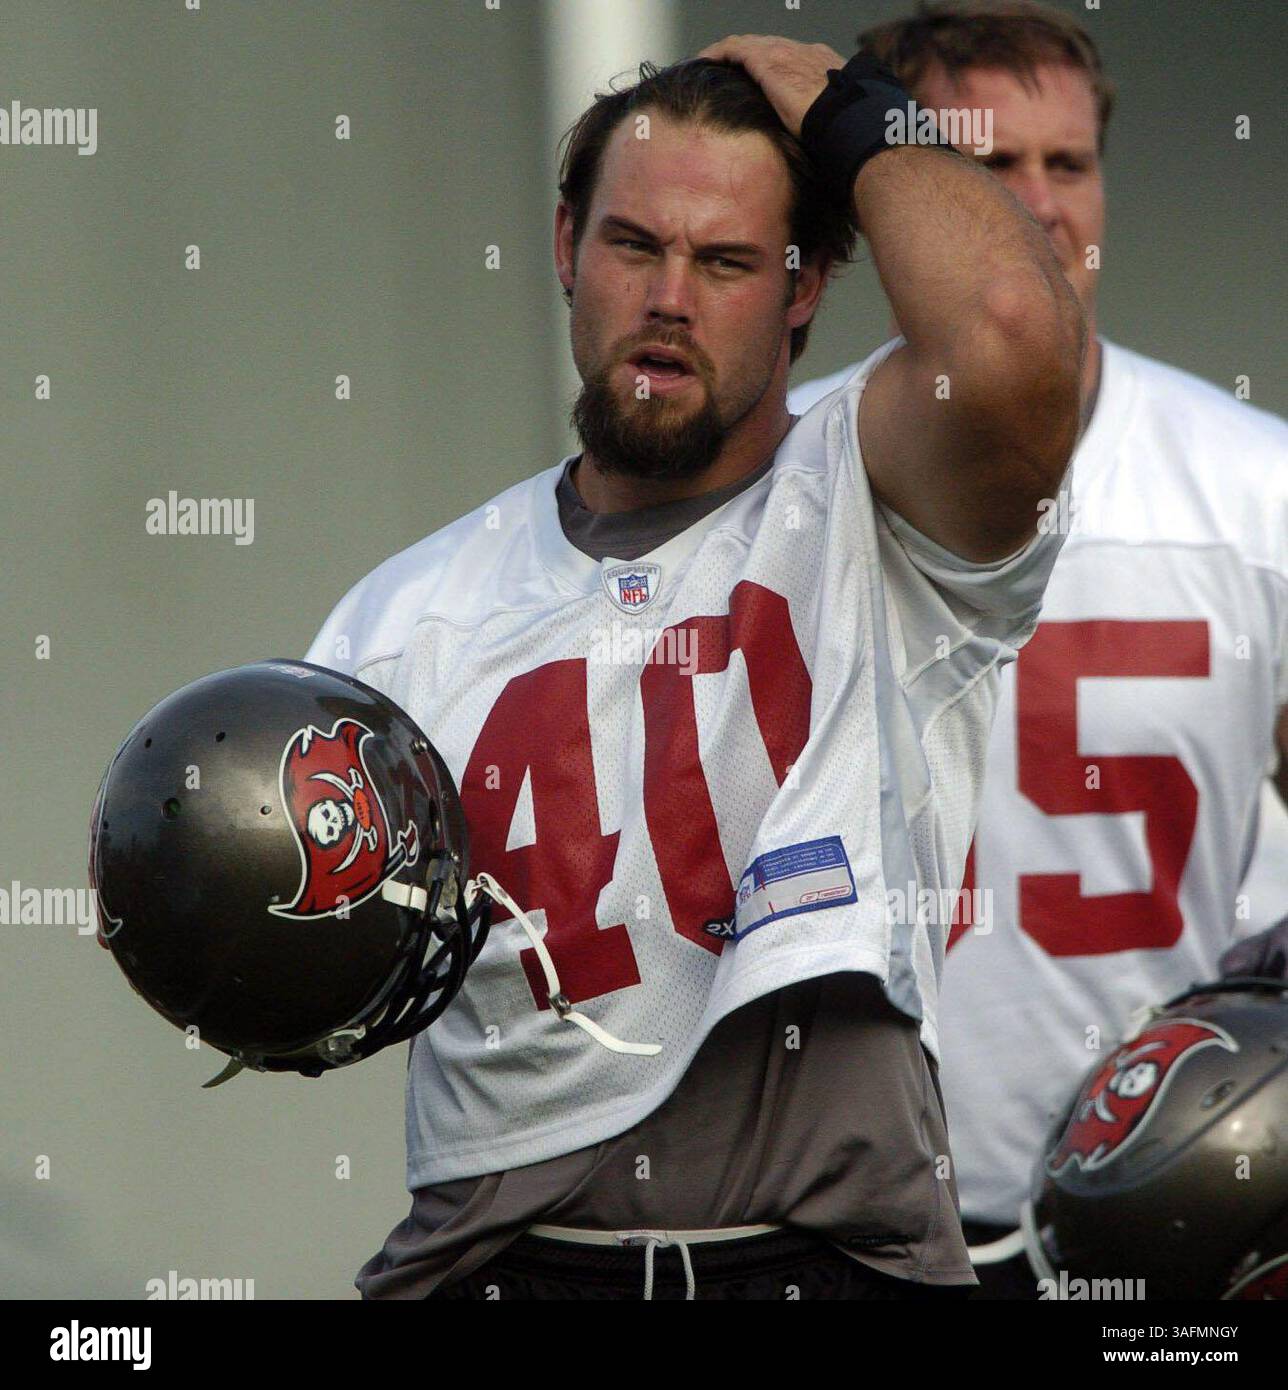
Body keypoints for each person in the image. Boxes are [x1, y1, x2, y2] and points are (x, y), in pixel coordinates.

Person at [305, 35, 1083, 1300]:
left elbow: (1007, 334)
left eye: (724, 262)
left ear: (801, 288)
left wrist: (851, 113)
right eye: (632, 246)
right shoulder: (400, 619)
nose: (669, 296)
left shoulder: (875, 506)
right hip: (505, 1266)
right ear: (565, 248)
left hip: (823, 1264)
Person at [789, 1, 1288, 1298]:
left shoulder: (1256, 486)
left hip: (1164, 1210)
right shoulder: (778, 480)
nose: (1037, 208)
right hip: (833, 1223)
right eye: (984, 167)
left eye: (1066, 164)